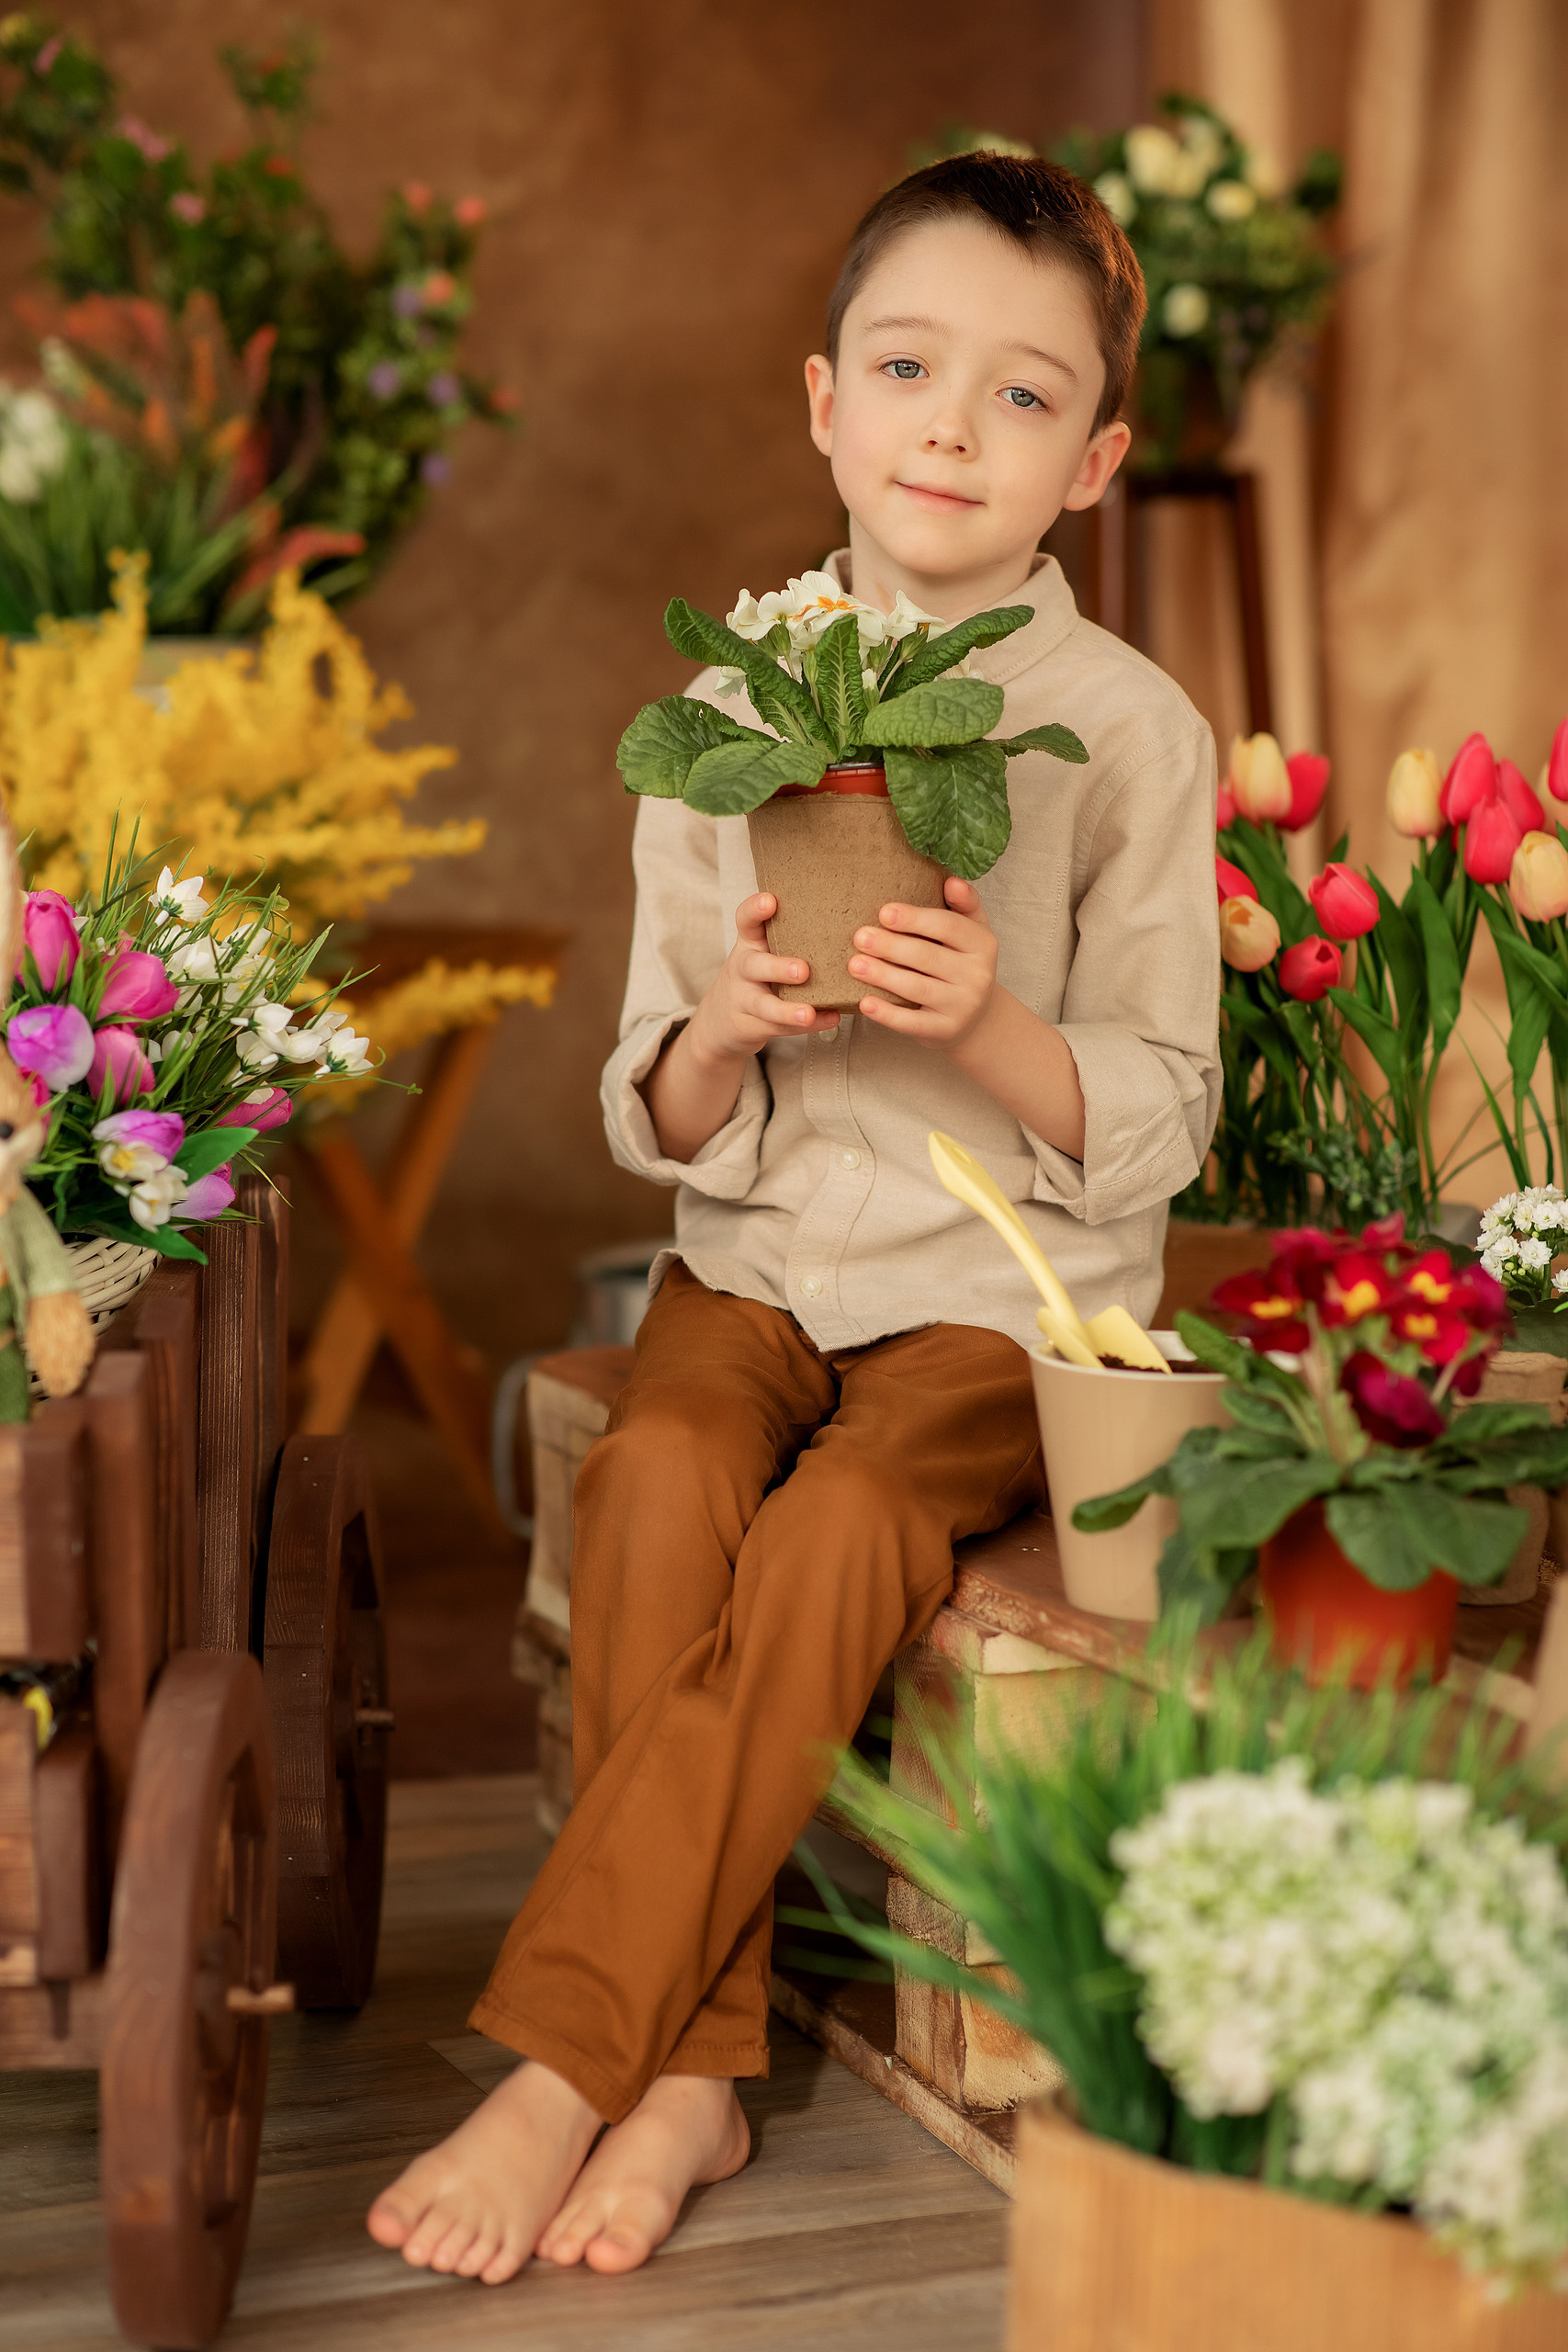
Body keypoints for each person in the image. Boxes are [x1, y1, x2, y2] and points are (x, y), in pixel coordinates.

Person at [368, 149, 1220, 2287]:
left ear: (1093, 460)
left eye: (1021, 397)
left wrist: (999, 1029)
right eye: (910, 368)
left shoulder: (1124, 733)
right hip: (752, 1262)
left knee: (842, 1528)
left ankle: (584, 2063)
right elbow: (655, 1106)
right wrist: (730, 1025)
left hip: (981, 1290)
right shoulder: (728, 713)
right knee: (660, 1471)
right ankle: (700, 2064)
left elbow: (1164, 1116)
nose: (952, 423)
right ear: (821, 398)